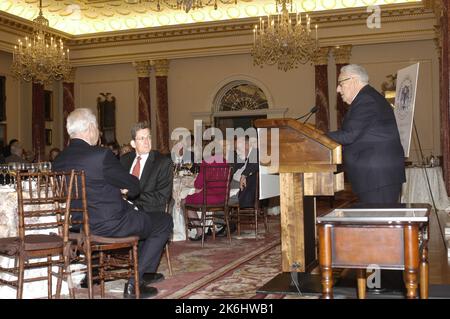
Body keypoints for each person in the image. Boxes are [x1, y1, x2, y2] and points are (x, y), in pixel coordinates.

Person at [52, 108, 173, 299]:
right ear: (91, 128)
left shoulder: (58, 160)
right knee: (164, 221)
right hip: (109, 225)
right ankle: (135, 283)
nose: (98, 133)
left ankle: (96, 272)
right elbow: (133, 186)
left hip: (76, 227)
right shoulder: (100, 155)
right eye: (97, 128)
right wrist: (121, 188)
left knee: (145, 219)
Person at [326, 64, 406, 204]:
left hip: (378, 177)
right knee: (378, 222)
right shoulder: (367, 98)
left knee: (380, 222)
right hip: (375, 177)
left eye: (340, 83)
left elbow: (349, 135)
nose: (338, 89)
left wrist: (318, 136)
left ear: (354, 80)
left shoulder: (366, 100)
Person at [120, 122, 173, 215]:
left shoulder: (162, 162)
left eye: (148, 137)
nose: (147, 141)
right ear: (133, 144)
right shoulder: (125, 160)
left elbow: (162, 197)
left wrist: (130, 193)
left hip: (149, 213)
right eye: (142, 138)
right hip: (123, 211)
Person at [183, 140, 228, 240]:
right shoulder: (226, 162)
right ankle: (209, 226)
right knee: (195, 196)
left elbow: (198, 185)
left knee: (185, 201)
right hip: (223, 198)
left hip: (208, 198)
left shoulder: (206, 162)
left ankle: (199, 231)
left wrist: (200, 188)